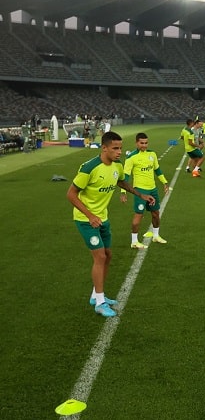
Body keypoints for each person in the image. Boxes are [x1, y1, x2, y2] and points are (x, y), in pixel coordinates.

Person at [67, 131, 155, 317]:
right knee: (99, 257)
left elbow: (122, 182)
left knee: (107, 255)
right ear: (104, 147)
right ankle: (100, 303)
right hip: (86, 219)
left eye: (121, 148)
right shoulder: (89, 168)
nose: (119, 152)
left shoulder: (117, 166)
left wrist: (140, 195)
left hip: (103, 218)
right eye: (115, 148)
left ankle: (96, 295)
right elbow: (71, 194)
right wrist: (90, 215)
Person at [120, 132, 169, 249]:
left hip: (153, 190)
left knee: (156, 214)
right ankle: (134, 241)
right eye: (141, 143)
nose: (144, 145)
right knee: (138, 215)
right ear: (136, 143)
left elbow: (157, 170)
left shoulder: (152, 154)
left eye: (146, 143)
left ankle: (156, 236)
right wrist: (123, 192)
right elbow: (125, 176)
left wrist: (165, 182)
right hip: (140, 191)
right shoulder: (131, 157)